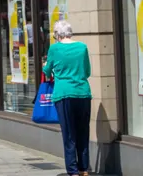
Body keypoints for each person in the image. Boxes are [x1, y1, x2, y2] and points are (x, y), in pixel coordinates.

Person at [43, 20, 92, 176]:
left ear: (57, 34)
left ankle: (72, 171)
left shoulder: (54, 48)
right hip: (83, 93)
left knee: (69, 134)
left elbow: (47, 70)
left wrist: (45, 65)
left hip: (64, 94)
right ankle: (84, 169)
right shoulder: (82, 47)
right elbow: (87, 71)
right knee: (83, 132)